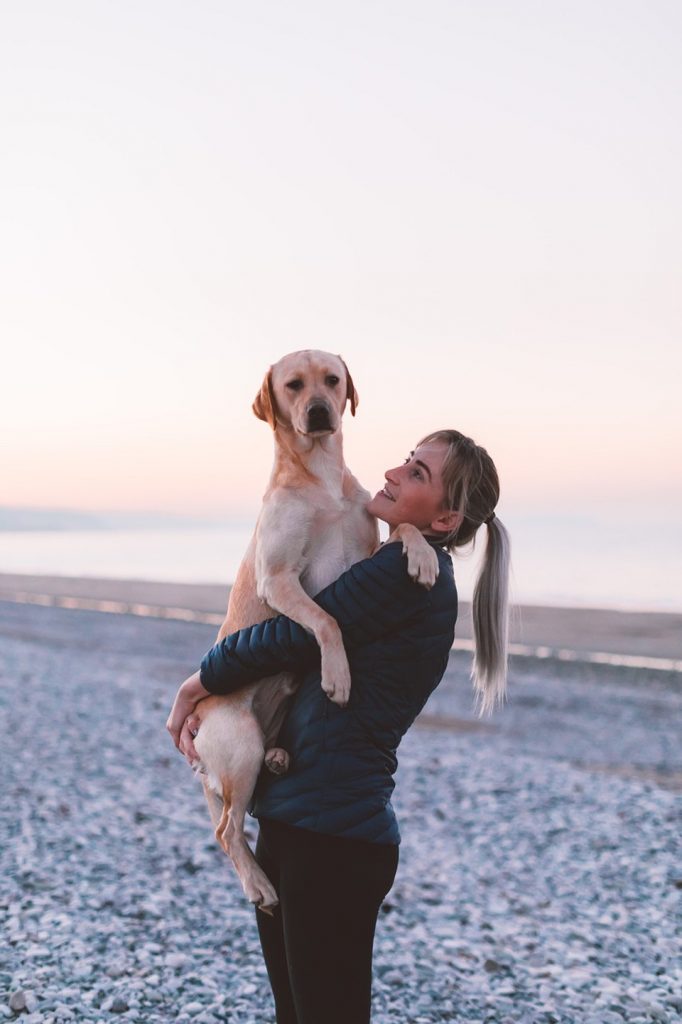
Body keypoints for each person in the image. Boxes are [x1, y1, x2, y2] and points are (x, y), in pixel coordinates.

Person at [167, 429, 511, 1024]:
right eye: (408, 461)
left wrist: (197, 683)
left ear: (446, 519)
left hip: (332, 839)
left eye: (419, 475)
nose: (397, 473)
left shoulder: (406, 574)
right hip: (304, 822)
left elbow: (292, 632)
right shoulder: (399, 561)